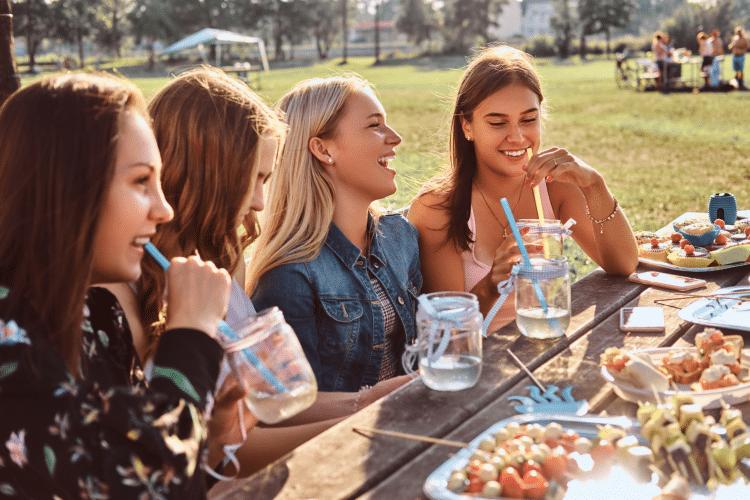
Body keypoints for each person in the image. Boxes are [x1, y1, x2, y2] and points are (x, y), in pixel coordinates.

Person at [102, 67, 343, 481]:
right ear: (210, 175)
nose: (261, 203)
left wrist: (371, 401)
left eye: (267, 179)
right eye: (254, 178)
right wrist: (363, 422)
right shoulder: (123, 289)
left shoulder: (222, 255)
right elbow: (190, 455)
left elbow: (258, 408)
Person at [0, 72, 232, 499]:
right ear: (68, 187)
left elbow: (145, 471)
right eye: (141, 181)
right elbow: (138, 485)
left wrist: (207, 433)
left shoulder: (95, 315)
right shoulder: (8, 340)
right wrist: (190, 338)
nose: (164, 210)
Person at [407, 46, 638, 334]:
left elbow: (624, 264)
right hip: (485, 368)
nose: (517, 137)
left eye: (528, 120)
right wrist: (492, 284)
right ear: (467, 126)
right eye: (497, 122)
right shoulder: (437, 208)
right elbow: (448, 332)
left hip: (546, 352)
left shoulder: (556, 188)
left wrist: (595, 185)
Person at [248, 75, 421, 410]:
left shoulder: (401, 236)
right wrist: (369, 402)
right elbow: (291, 405)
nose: (395, 138)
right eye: (375, 126)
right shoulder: (289, 277)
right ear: (323, 149)